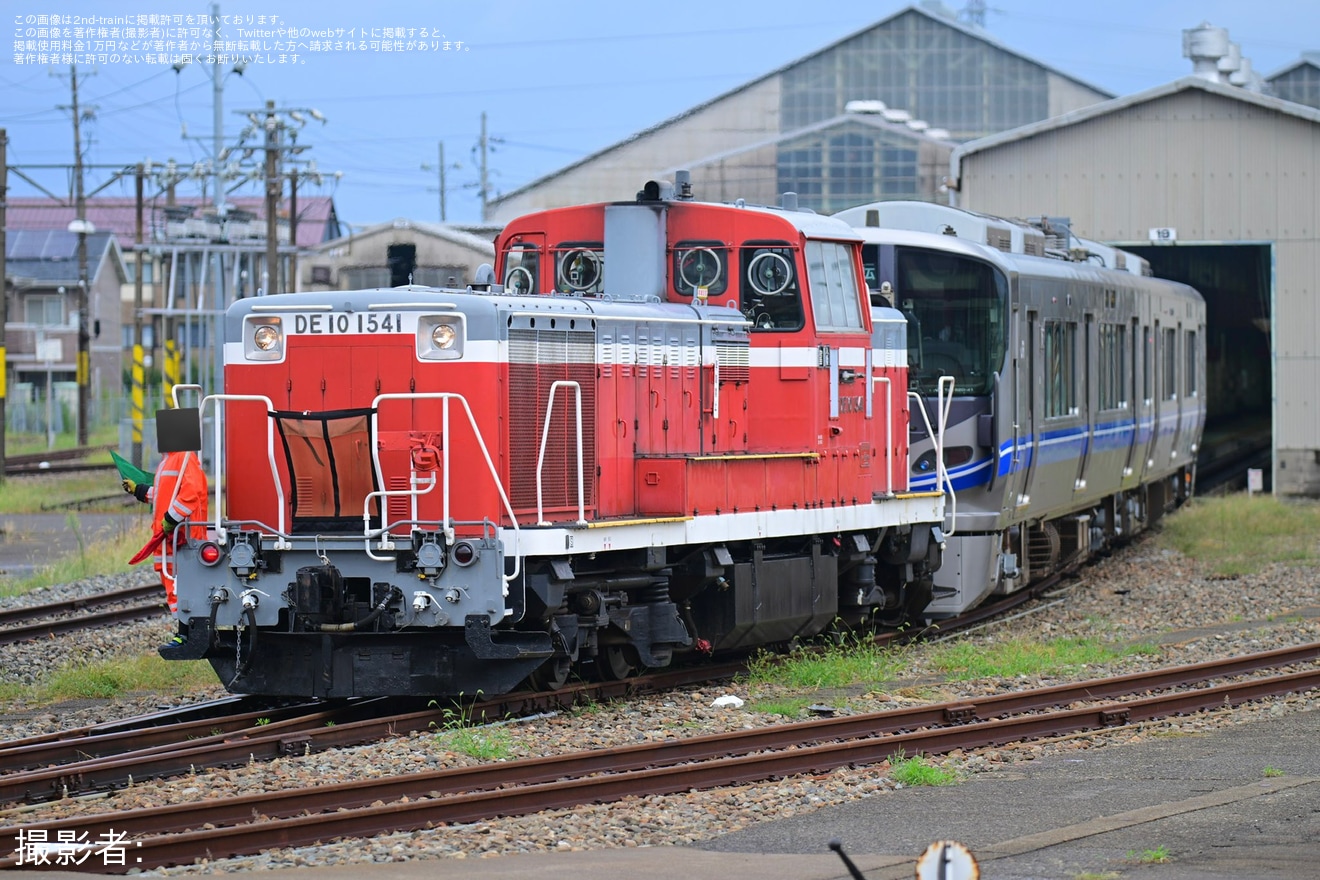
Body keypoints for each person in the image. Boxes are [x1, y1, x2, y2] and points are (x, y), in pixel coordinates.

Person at [122, 408, 208, 635]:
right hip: (171, 537)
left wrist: (170, 521)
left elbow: (190, 495)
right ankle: (184, 634)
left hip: (180, 537)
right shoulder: (169, 461)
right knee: (176, 585)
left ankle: (188, 634)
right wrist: (139, 490)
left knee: (182, 587)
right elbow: (166, 496)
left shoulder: (185, 458)